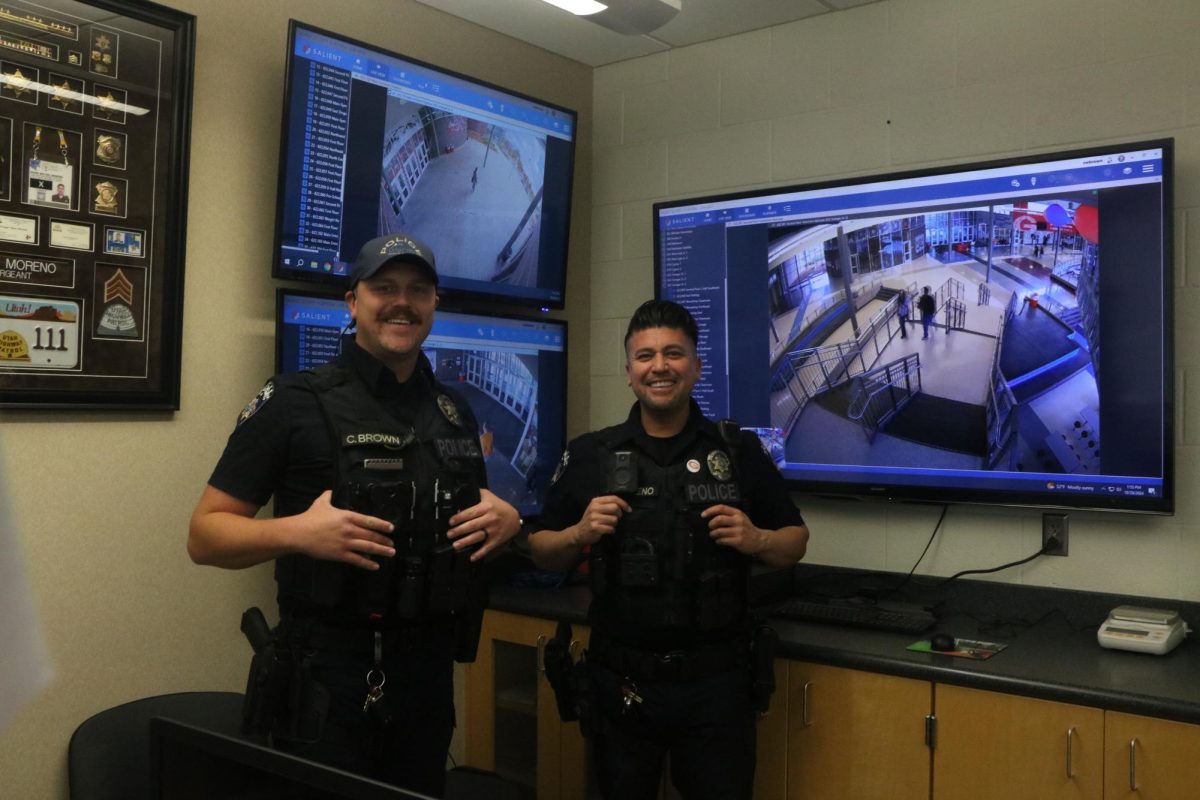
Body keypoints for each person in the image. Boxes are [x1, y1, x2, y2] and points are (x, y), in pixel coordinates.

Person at [187, 233, 521, 797]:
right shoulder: (293, 401)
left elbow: (476, 521)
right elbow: (204, 535)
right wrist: (298, 532)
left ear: (435, 304)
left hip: (426, 678)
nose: (402, 302)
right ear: (352, 302)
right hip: (325, 678)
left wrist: (507, 526)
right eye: (383, 288)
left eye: (418, 290)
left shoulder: (454, 411)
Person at [529, 299, 809, 800]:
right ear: (629, 372)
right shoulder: (591, 454)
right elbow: (540, 550)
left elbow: (795, 542)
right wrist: (579, 534)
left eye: (673, 354)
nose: (659, 366)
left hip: (717, 686)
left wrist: (757, 538)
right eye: (645, 356)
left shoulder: (737, 451)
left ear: (696, 367)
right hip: (621, 684)